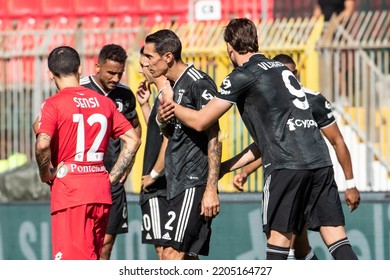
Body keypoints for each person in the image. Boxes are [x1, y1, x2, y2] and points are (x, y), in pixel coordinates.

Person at [158, 18, 358, 260]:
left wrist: (170, 104)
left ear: (229, 46)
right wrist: (226, 167)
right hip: (320, 163)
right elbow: (269, 140)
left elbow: (202, 121)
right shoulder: (281, 69)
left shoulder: (242, 75)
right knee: (337, 239)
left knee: (279, 244)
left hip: (286, 167)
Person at [221, 53, 360, 260]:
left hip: (293, 173)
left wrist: (350, 183)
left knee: (283, 241)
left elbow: (337, 140)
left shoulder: (310, 99)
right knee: (304, 243)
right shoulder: (277, 99)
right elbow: (271, 143)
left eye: (293, 72)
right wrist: (244, 170)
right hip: (311, 170)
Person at [35, 46, 140, 260]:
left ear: (50, 74)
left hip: (71, 192)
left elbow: (42, 144)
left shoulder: (53, 104)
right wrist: (112, 177)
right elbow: (133, 139)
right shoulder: (104, 103)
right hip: (100, 190)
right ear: (80, 69)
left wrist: (45, 173)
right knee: (94, 259)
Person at [143, 29, 222, 260]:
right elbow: (172, 134)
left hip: (193, 182)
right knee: (186, 257)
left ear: (168, 57)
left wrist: (210, 189)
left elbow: (214, 136)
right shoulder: (173, 86)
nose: (146, 63)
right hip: (176, 183)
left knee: (171, 255)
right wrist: (162, 120)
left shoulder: (199, 83)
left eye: (149, 57)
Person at [80, 44, 141, 260]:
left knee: (106, 244)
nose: (116, 78)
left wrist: (128, 163)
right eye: (111, 73)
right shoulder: (80, 90)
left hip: (112, 180)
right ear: (97, 66)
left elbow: (135, 127)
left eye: (120, 73)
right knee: (84, 244)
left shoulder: (125, 95)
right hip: (84, 179)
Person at [136, 46, 169, 260]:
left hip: (159, 186)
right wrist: (145, 105)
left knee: (164, 249)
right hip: (160, 184)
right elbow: (158, 131)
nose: (140, 71)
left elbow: (170, 139)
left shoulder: (168, 94)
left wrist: (154, 175)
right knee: (177, 250)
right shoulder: (160, 96)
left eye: (142, 65)